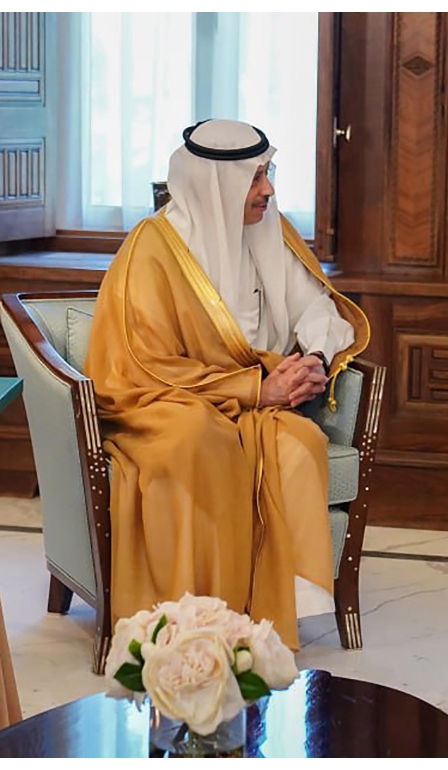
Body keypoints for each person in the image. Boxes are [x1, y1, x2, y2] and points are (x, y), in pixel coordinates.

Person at [85, 119, 370, 650]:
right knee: (195, 439)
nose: (267, 191)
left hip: (255, 400)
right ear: (217, 183)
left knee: (300, 443)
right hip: (164, 403)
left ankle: (266, 618)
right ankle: (188, 617)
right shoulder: (151, 248)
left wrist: (312, 360)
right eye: (255, 177)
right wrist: (256, 389)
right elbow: (146, 364)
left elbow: (318, 310)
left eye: (268, 174)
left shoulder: (268, 232)